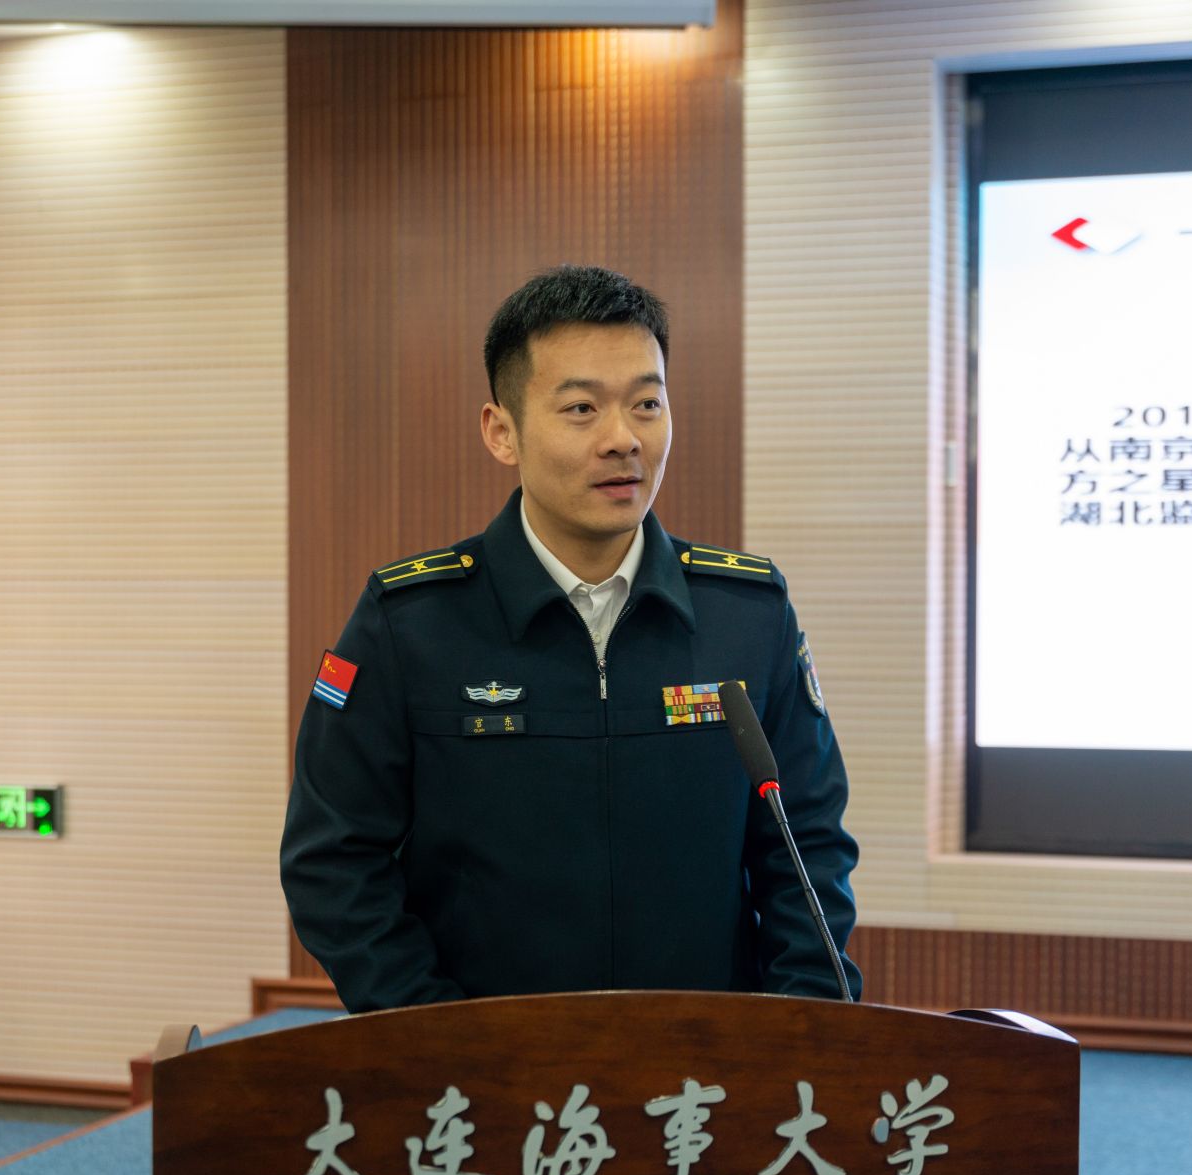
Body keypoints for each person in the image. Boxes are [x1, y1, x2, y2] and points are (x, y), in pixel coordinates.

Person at [280, 265, 859, 1012]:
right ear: (502, 432)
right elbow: (333, 862)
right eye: (582, 408)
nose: (623, 440)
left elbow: (807, 849)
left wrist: (797, 1037)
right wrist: (437, 1039)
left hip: (706, 1060)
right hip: (482, 1063)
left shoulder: (747, 615)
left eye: (647, 403)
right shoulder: (410, 624)